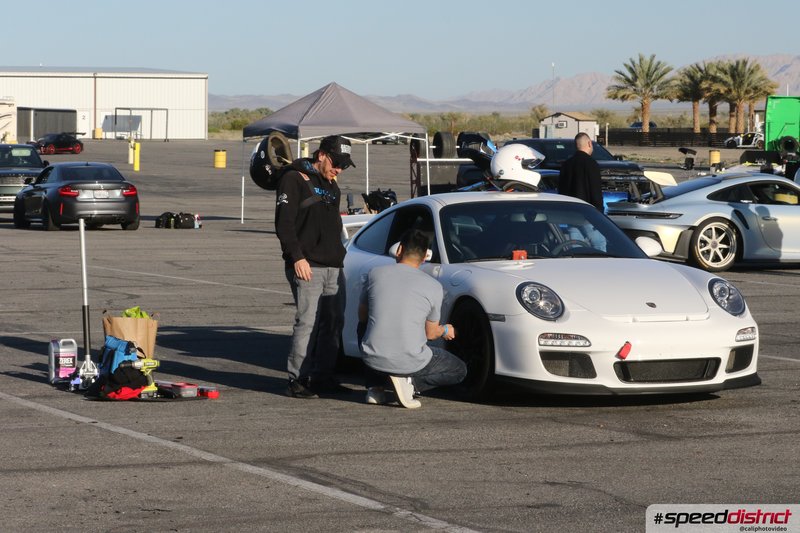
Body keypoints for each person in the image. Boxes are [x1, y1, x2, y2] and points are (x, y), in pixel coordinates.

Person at [275, 135, 355, 398]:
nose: (339, 170)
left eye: (343, 165)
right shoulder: (294, 178)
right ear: (321, 155)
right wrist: (297, 257)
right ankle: (298, 379)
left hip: (334, 265)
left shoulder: (333, 186)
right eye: (336, 163)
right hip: (307, 265)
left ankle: (324, 377)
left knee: (333, 323)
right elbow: (284, 223)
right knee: (307, 322)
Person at [358, 229, 467, 408]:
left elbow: (361, 316)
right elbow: (431, 334)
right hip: (409, 360)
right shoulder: (433, 286)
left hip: (372, 357)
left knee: (364, 326)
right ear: (425, 257)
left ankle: (375, 388)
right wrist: (446, 330)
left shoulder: (374, 273)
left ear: (399, 250)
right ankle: (409, 383)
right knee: (459, 369)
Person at [558, 132, 604, 212]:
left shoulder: (566, 164)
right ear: (589, 143)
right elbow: (595, 192)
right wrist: (599, 212)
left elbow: (561, 190)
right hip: (586, 212)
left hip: (569, 212)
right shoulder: (591, 164)